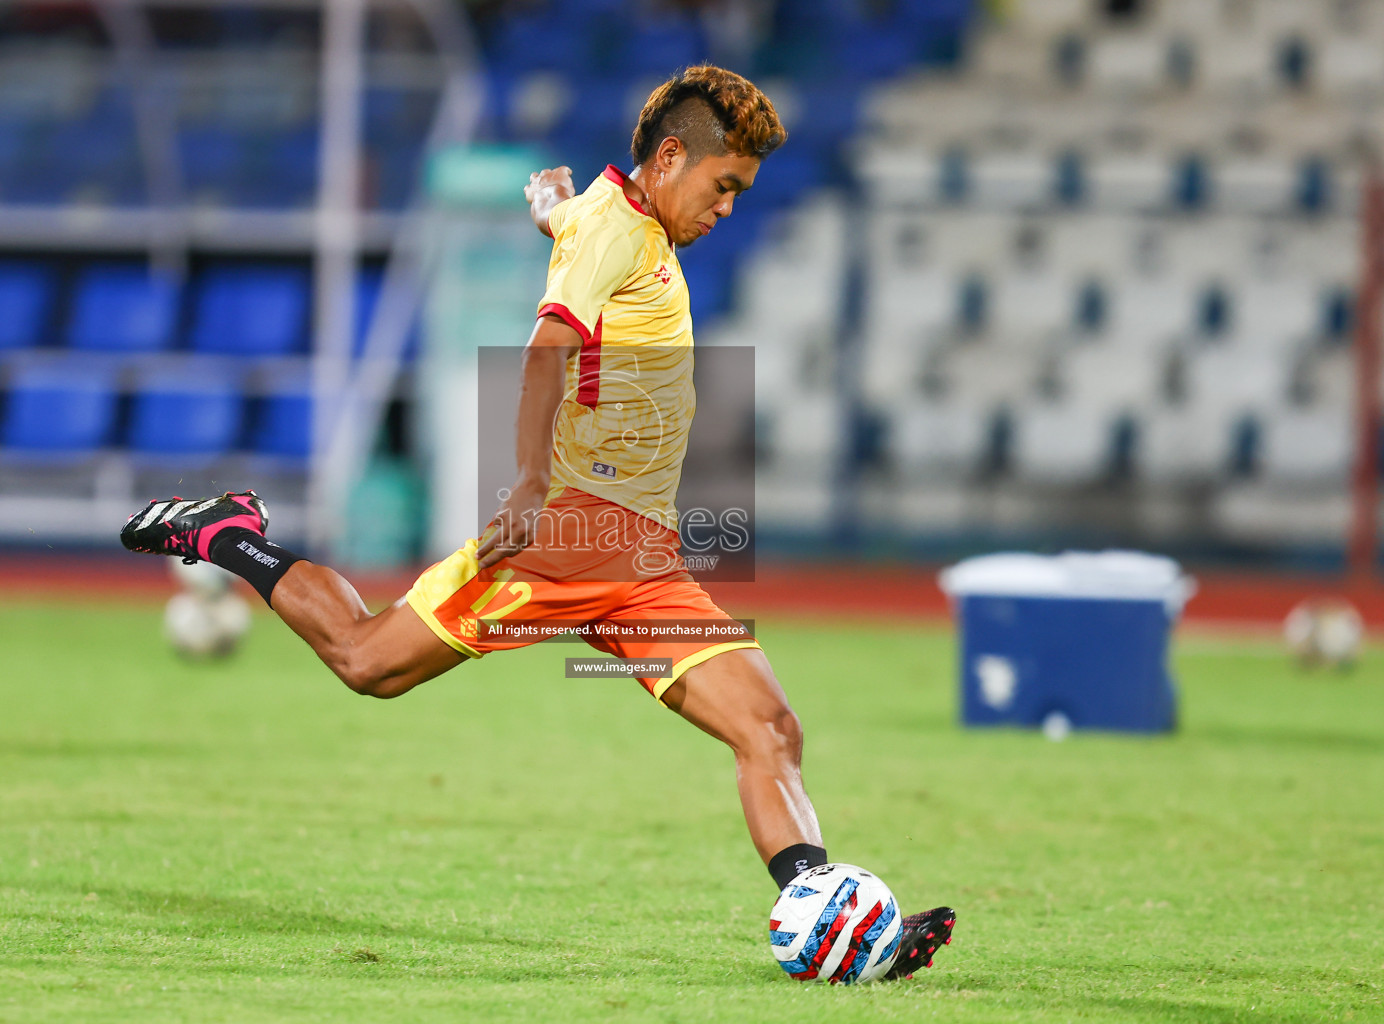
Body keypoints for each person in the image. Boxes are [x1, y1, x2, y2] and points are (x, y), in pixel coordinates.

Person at [121, 65, 953, 977]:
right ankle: (229, 533)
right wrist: (524, 482)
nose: (728, 211)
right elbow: (548, 347)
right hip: (562, 537)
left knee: (772, 730)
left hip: (643, 562)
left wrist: (553, 209)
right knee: (368, 662)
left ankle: (831, 916)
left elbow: (590, 236)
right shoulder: (615, 232)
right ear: (672, 157)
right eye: (725, 187)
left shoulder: (617, 223)